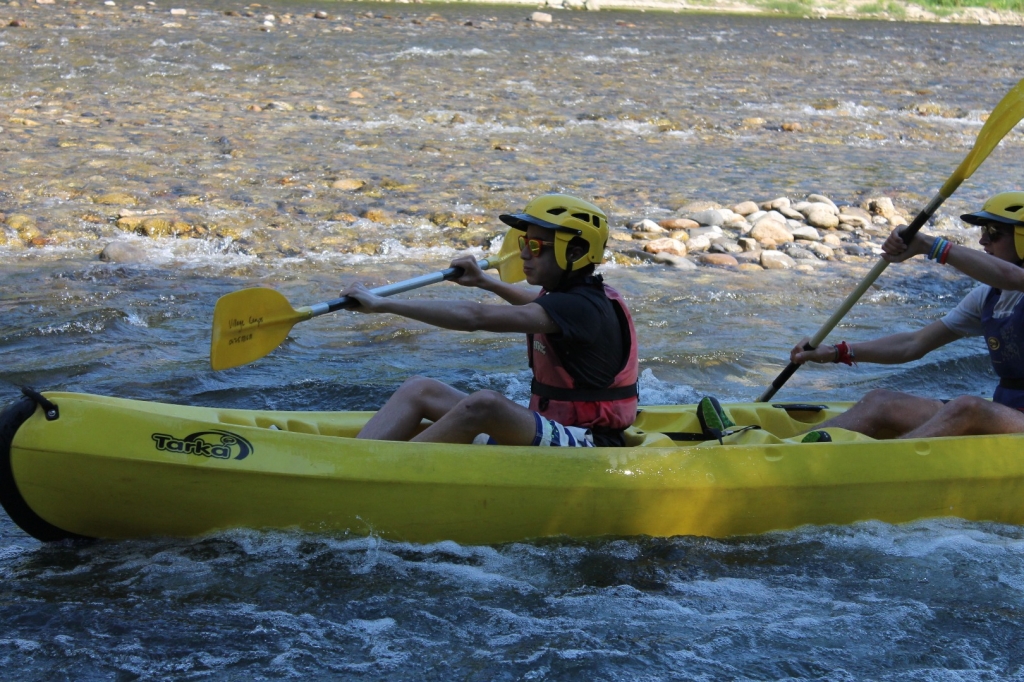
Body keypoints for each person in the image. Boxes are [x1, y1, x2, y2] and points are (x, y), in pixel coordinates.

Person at [339, 194, 639, 447]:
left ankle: (379, 471)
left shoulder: (581, 307)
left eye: (535, 246)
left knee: (485, 405)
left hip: (589, 443)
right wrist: (485, 281)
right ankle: (352, 462)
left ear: (574, 252)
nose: (523, 255)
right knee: (420, 388)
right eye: (524, 242)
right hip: (552, 428)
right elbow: (533, 302)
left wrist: (383, 304)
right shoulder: (572, 298)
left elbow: (475, 316)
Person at [790, 191, 1024, 440]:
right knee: (880, 401)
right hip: (1007, 413)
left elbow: (1012, 277)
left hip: (1008, 418)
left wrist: (930, 246)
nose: (983, 240)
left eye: (994, 232)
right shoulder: (987, 298)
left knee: (967, 408)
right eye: (983, 230)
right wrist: (836, 352)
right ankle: (788, 450)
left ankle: (889, 465)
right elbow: (913, 344)